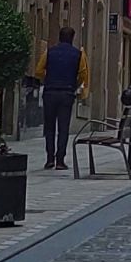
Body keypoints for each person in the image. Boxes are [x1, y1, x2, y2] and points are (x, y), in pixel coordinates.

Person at [35, 27, 89, 170]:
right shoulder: (79, 54)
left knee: (49, 127)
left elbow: (39, 70)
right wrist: (74, 85)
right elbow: (83, 74)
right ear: (72, 38)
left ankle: (49, 159)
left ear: (59, 37)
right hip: (67, 94)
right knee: (63, 128)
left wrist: (47, 79)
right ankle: (60, 160)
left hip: (50, 92)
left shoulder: (49, 52)